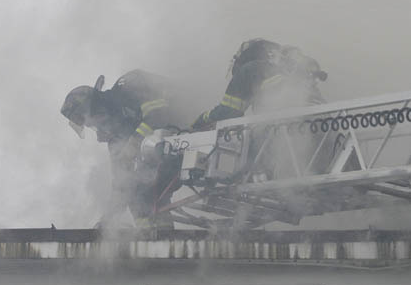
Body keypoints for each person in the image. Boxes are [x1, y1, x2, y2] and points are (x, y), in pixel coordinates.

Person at [60, 69, 184, 229]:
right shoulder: (116, 138)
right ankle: (151, 234)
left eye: (90, 120)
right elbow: (121, 184)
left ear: (96, 107)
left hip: (187, 133)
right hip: (169, 156)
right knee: (137, 190)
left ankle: (157, 234)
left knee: (143, 189)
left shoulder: (128, 87)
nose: (95, 125)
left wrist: (132, 145)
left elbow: (158, 114)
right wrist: (107, 220)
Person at [191, 39, 327, 130]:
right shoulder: (292, 75)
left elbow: (229, 112)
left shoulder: (249, 70)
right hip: (321, 128)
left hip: (284, 133)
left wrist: (203, 119)